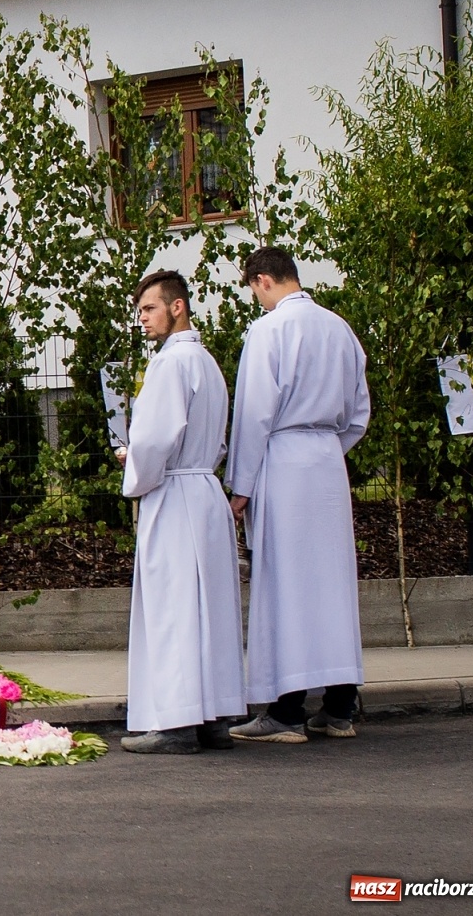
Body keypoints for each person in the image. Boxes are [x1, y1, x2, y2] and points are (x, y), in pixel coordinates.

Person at [226, 247, 371, 742]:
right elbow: (359, 413)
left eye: (254, 291)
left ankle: (286, 712)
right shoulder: (340, 329)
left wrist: (241, 486)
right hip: (327, 462)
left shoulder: (269, 330)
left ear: (263, 280)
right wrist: (327, 447)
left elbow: (253, 414)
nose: (257, 301)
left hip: (284, 459)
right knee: (332, 585)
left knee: (285, 584)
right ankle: (339, 706)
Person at [116, 271, 246, 754]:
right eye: (140, 311)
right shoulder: (207, 362)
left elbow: (154, 439)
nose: (143, 319)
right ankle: (214, 717)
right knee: (209, 609)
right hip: (205, 488)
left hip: (173, 492)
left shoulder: (170, 364)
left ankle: (176, 723)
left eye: (149, 309)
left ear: (178, 307)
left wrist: (133, 465)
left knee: (174, 608)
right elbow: (215, 435)